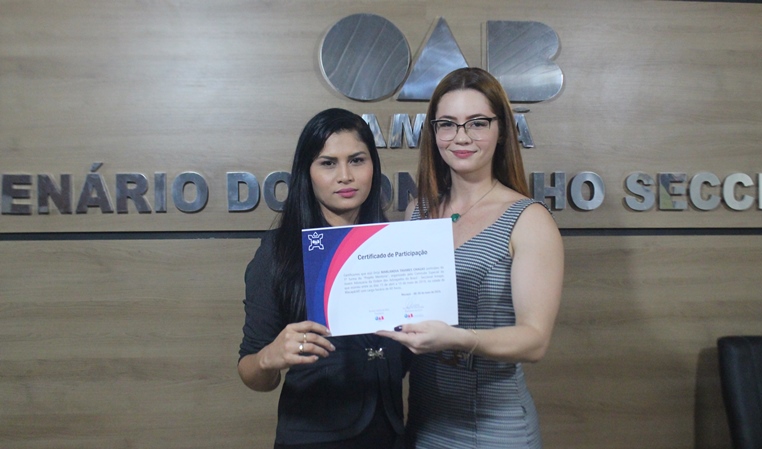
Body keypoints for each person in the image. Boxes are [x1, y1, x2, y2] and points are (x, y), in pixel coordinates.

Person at [376, 68, 564, 449]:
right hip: (424, 422)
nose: (461, 137)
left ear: (501, 130)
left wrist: (456, 338)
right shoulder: (418, 212)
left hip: (494, 428)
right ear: (433, 132)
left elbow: (535, 341)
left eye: (477, 123)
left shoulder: (529, 219)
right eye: (447, 124)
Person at [238, 108, 409, 449]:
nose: (345, 176)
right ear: (307, 172)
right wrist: (270, 356)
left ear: (373, 167)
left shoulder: (395, 245)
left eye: (357, 160)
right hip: (313, 437)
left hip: (390, 433)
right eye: (328, 163)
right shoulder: (279, 251)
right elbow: (251, 371)